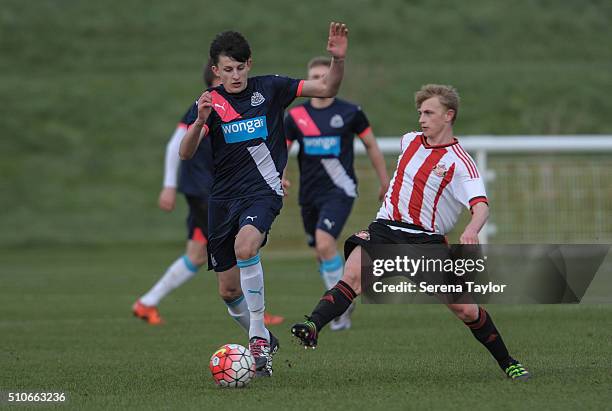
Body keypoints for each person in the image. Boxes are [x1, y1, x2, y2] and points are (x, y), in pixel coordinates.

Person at [291, 84, 531, 381]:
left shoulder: (460, 163)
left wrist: (471, 229)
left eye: (429, 113)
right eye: (420, 113)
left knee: (467, 311)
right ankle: (312, 325)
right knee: (351, 278)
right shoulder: (409, 141)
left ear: (449, 115)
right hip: (385, 230)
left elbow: (480, 206)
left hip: (425, 241)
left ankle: (508, 362)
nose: (422, 119)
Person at [179, 22, 350, 377]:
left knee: (246, 246)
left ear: (250, 64)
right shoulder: (210, 104)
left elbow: (327, 85)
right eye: (228, 69)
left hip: (263, 193)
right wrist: (199, 122)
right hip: (222, 199)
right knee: (227, 291)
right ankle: (265, 340)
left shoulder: (270, 88)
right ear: (216, 70)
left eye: (241, 67)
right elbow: (185, 152)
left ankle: (257, 335)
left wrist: (338, 60)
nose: (236, 75)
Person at [132, 61, 284, 327]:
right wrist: (169, 185)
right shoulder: (206, 106)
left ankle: (147, 302)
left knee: (197, 253)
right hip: (207, 191)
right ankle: (257, 314)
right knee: (243, 245)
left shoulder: (230, 108)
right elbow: (174, 145)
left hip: (208, 190)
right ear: (216, 79)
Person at [283, 56, 389, 330]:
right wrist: (279, 176)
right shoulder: (296, 116)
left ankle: (339, 303)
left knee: (323, 242)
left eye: (324, 75)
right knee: (320, 251)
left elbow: (371, 146)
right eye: (314, 76)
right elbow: (281, 149)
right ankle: (343, 299)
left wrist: (385, 180)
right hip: (308, 194)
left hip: (340, 190)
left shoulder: (351, 112)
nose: (320, 80)